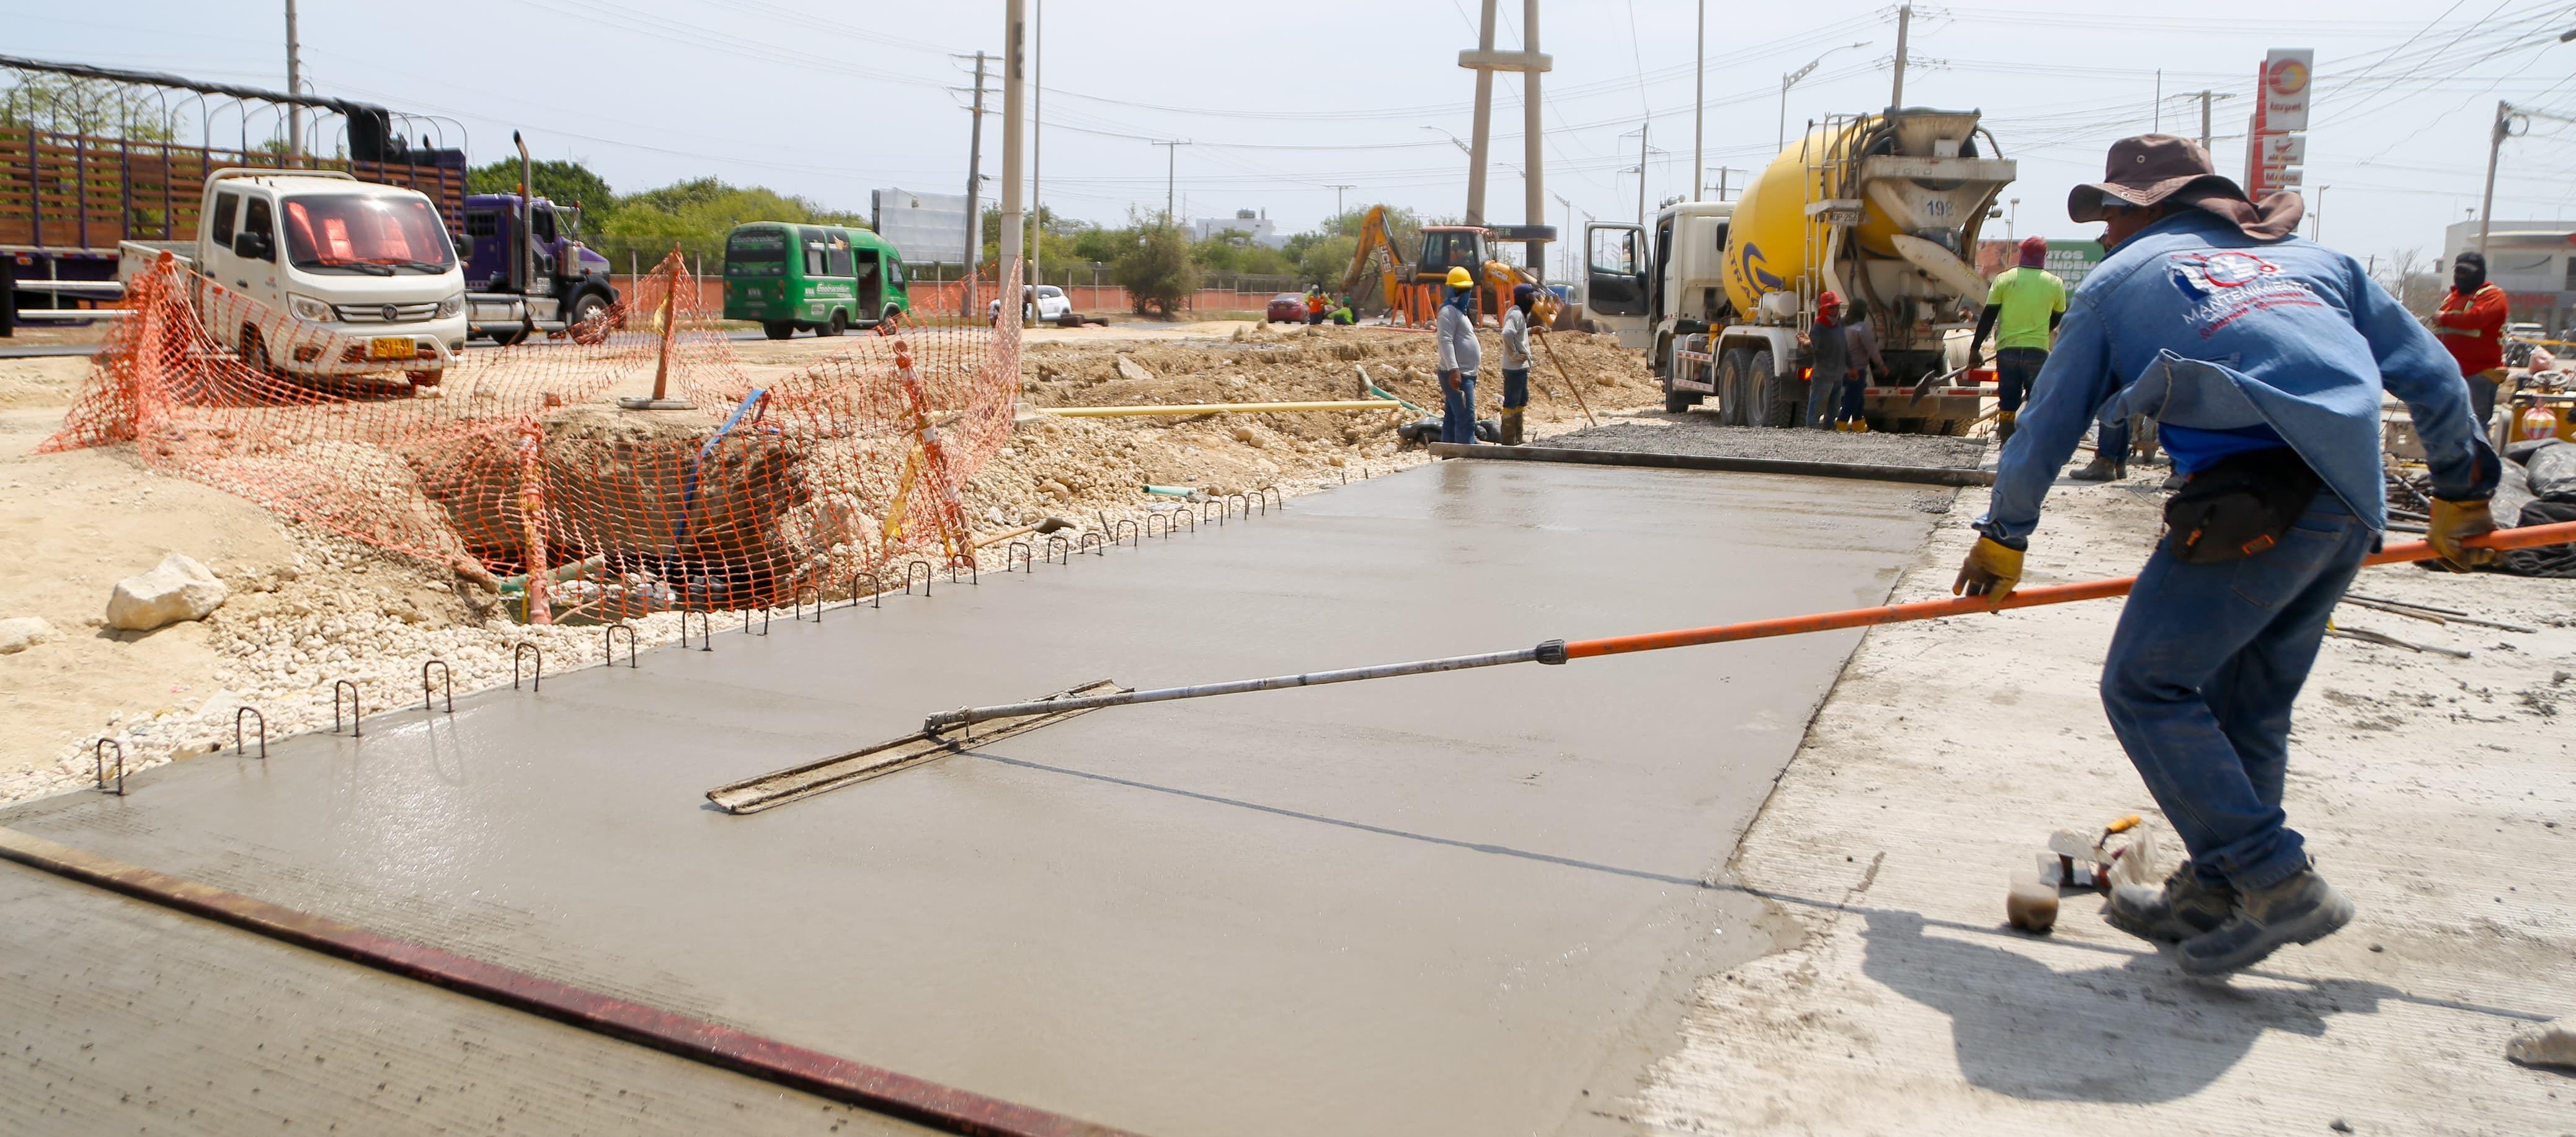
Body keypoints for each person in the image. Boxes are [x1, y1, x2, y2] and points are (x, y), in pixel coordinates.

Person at [1953, 135, 2500, 976]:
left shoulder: (2115, 285)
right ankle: (2216, 892)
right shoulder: (2319, 263)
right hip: (2349, 502)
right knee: (2248, 705)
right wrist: (2460, 490)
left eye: (2111, 214)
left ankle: (2275, 879)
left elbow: (2046, 426)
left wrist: (2003, 536)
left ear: (2149, 210)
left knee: (2145, 684)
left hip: (2255, 506)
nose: (2104, 233)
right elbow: (2431, 373)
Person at [1970, 234, 2069, 446]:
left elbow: (1989, 316)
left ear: (2022, 254)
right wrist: (2041, 330)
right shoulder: (2055, 283)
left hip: (2008, 351)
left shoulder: (2004, 279)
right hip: (2037, 351)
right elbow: (2059, 315)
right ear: (2044, 257)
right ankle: (2030, 446)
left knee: (2008, 402)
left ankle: (2006, 444)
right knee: (2036, 400)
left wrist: (1975, 348)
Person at [2433, 250, 2509, 440]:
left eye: (2466, 272)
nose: (2460, 276)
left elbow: (2477, 319)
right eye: (2458, 271)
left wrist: (2444, 318)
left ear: (2480, 273)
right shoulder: (2452, 297)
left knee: (2474, 428)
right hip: (2452, 373)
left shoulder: (2492, 295)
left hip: (2478, 374)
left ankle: (2481, 461)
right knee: (2450, 426)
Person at [1435, 266, 1482, 446]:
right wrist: (1454, 370)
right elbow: (1445, 341)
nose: (1464, 294)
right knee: (1466, 419)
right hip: (1458, 374)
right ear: (1452, 290)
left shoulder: (1460, 312)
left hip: (1465, 373)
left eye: (1466, 290)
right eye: (1461, 290)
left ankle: (1449, 458)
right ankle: (1465, 458)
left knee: (1453, 418)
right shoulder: (1448, 312)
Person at [1834, 296, 1892, 431]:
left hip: (1840, 369)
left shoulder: (1840, 325)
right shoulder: (1862, 328)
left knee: (1858, 398)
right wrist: (1881, 365)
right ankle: (1841, 424)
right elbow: (1872, 349)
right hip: (1856, 370)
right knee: (1852, 398)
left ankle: (1859, 425)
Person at [1803, 291, 1852, 428]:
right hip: (1823, 375)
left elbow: (1845, 347)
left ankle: (1829, 430)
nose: (1835, 310)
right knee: (1817, 407)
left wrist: (1851, 366)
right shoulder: (1819, 327)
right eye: (1831, 307)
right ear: (1824, 309)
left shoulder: (1839, 325)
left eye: (1836, 306)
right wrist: (1807, 345)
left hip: (1837, 375)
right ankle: (1812, 430)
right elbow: (1812, 348)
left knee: (1834, 410)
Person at [1498, 284, 1536, 445]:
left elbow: (1518, 333)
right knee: (1512, 402)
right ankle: (1509, 441)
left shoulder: (1519, 314)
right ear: (1525, 298)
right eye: (1532, 297)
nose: (1534, 301)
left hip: (1520, 368)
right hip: (1514, 368)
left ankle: (1518, 438)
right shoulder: (1516, 314)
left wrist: (1531, 331)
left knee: (1521, 401)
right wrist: (1514, 355)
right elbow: (1507, 333)